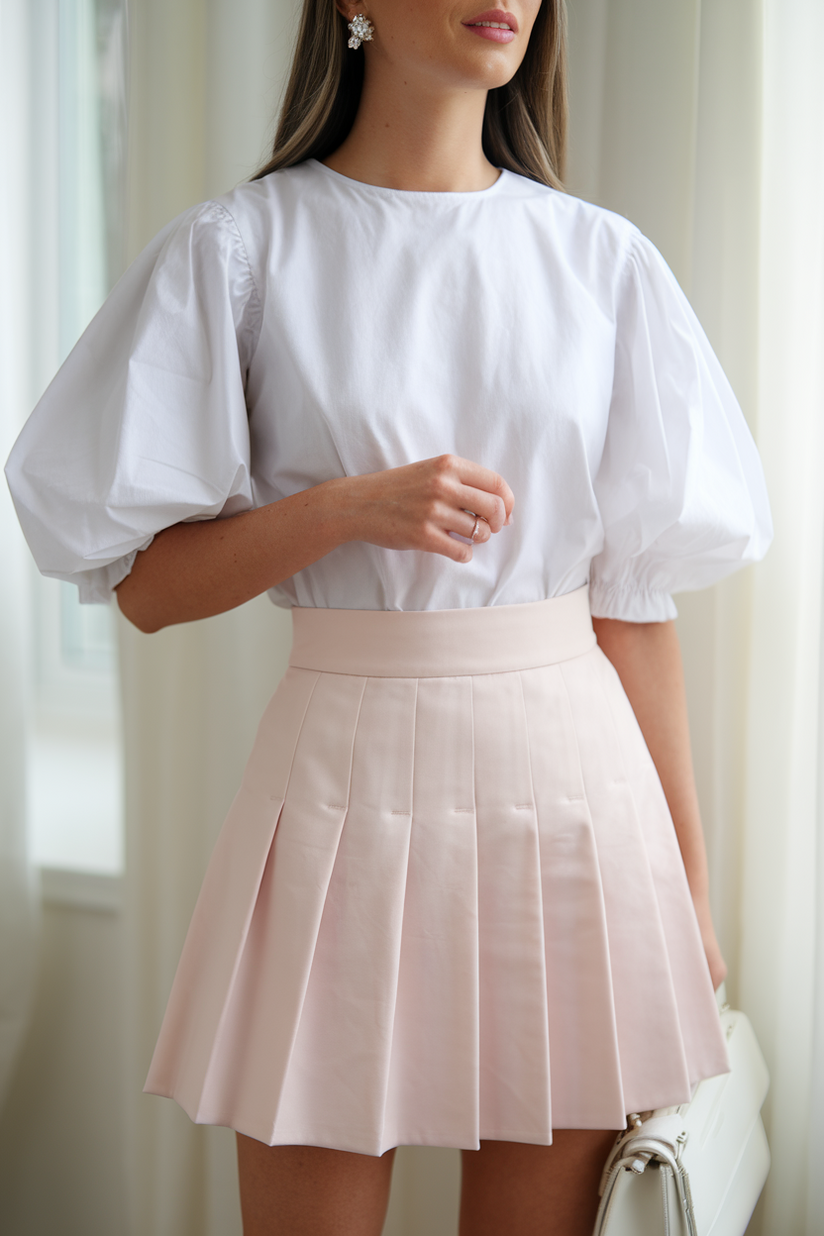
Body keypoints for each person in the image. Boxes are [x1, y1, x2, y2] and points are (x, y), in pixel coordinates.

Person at [5, 0, 772, 1232]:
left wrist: (686, 887)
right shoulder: (242, 251)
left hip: (573, 803)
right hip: (336, 801)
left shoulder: (601, 262)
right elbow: (145, 590)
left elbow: (634, 601)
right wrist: (345, 509)